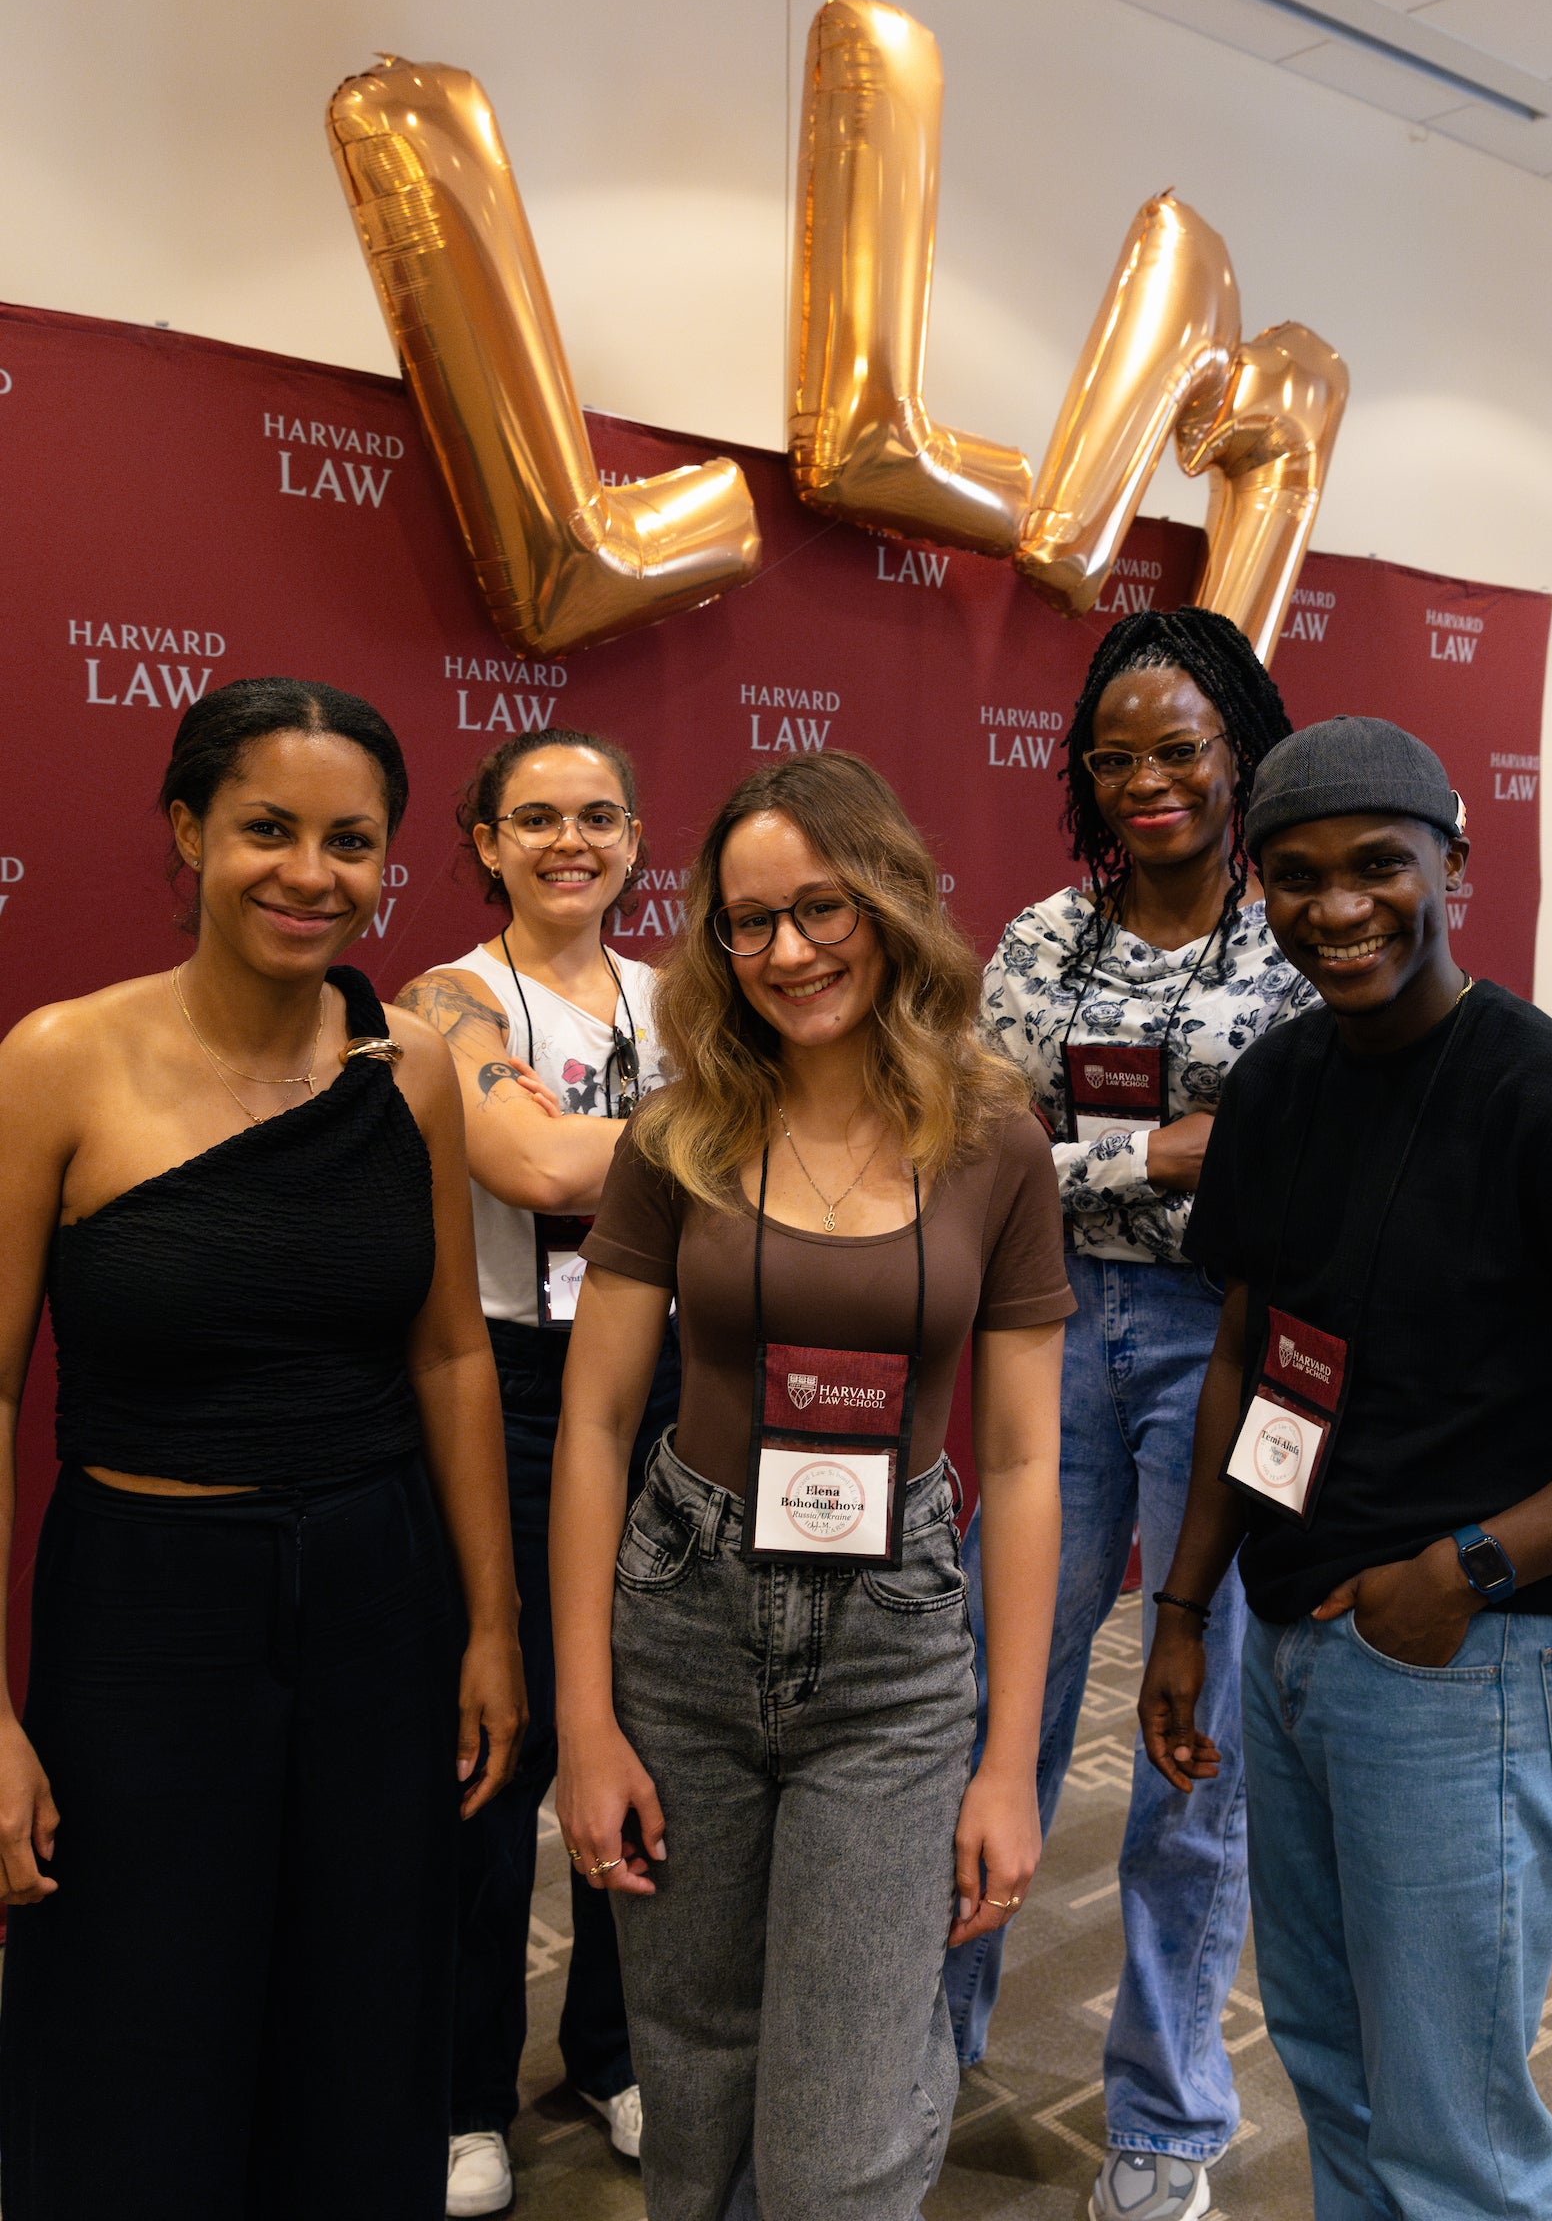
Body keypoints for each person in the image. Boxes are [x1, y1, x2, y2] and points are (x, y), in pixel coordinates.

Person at [0, 677, 526, 2221]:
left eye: (352, 841)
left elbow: (448, 1351)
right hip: (147, 1606)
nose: (312, 873)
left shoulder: (412, 1064)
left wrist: (490, 1627)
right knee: (137, 2021)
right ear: (188, 833)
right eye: (268, 831)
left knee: (361, 2010)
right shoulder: (57, 1062)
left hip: (377, 1592)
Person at [549, 749, 1072, 2219]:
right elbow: (594, 1428)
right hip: (684, 1616)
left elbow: (1027, 1463)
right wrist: (586, 1726)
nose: (787, 952)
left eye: (822, 909)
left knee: (843, 2130)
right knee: (696, 2084)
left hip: (894, 1645)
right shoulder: (678, 1130)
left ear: (892, 905)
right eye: (748, 921)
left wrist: (1012, 1764)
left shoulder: (995, 1143)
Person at [1140, 715, 1552, 2221]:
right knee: (1333, 2063)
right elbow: (1244, 1350)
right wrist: (1188, 1611)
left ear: (1453, 864)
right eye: (1296, 876)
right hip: (1290, 1640)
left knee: (1454, 2126)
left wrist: (1459, 1576)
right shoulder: (1276, 1087)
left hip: (1466, 1658)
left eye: (1379, 868)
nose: (1338, 909)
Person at [947, 606, 1312, 2221]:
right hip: (1044, 1331)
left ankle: (1168, 2114)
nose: (1149, 780)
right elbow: (982, 1146)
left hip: (1223, 1338)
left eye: (1180, 748)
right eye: (1118, 756)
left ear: (1241, 748)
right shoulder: (1039, 941)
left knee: (1193, 1742)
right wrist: (1165, 1152)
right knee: (989, 1706)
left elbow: (1289, 1166)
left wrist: (1095, 1158)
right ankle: (930, 2033)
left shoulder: (1298, 931)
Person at [398, 726, 678, 2214]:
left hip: (663, 1382)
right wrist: (725, 1125)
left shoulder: (677, 996)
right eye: (536, 820)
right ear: (487, 841)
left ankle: (616, 2053)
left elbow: (592, 1150)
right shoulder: (443, 999)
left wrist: (616, 1133)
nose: (572, 842)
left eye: (600, 818)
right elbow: (542, 1170)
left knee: (645, 1726)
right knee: (495, 1741)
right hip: (503, 1385)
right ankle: (460, 2093)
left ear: (637, 840)